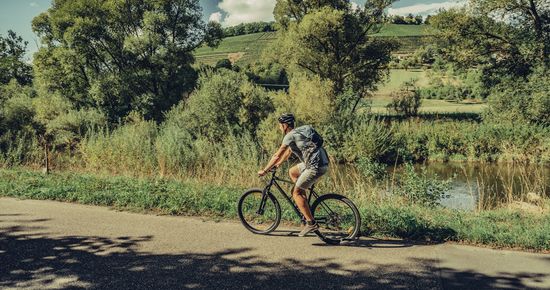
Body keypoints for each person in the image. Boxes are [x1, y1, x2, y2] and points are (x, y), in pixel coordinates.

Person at [258, 113, 330, 237]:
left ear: (285, 125)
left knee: (296, 193)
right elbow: (290, 150)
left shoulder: (289, 136)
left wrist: (265, 170)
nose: (279, 128)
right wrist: (279, 164)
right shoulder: (301, 131)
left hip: (315, 166)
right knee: (292, 171)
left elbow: (277, 154)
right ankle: (303, 202)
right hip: (322, 161)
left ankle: (311, 223)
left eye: (280, 125)